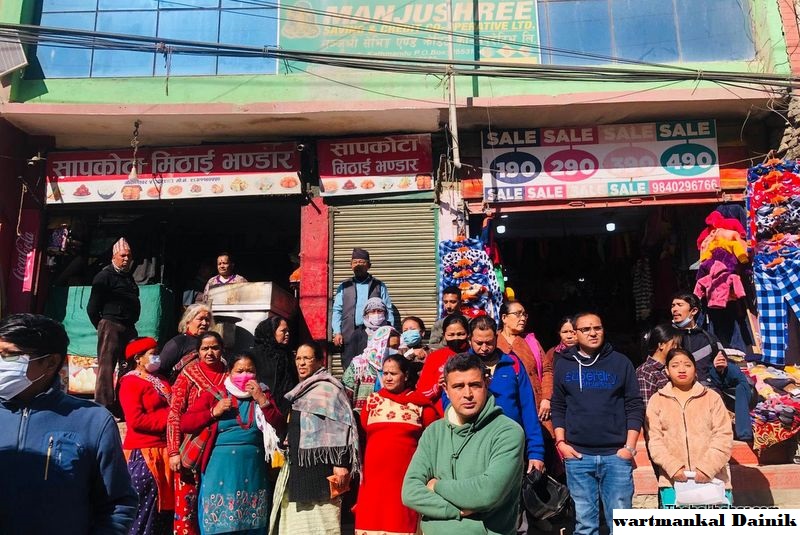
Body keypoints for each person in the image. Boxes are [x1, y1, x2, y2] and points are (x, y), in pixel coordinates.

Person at [0, 313, 138, 534]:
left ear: (51, 362)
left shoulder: (93, 421)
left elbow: (118, 503)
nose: (1, 362)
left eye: (10, 355)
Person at [402, 353, 525, 535]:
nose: (467, 394)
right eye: (458, 386)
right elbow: (410, 492)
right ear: (445, 389)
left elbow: (486, 493)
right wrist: (455, 510)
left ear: (487, 383)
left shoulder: (507, 432)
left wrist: (436, 486)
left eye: (474, 385)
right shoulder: (433, 432)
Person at [551, 312, 644, 535]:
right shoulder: (563, 364)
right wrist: (561, 443)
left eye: (597, 328)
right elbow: (558, 406)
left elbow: (634, 405)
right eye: (586, 329)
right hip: (578, 456)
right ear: (575, 333)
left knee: (622, 525)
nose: (592, 333)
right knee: (585, 524)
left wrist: (630, 447)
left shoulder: (620, 362)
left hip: (616, 455)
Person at [181, 352, 284, 535]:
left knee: (252, 523)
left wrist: (262, 400)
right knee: (217, 523)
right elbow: (186, 423)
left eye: (250, 371)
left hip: (253, 469)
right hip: (219, 469)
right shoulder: (215, 394)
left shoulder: (262, 393)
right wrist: (213, 412)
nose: (245, 375)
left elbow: (280, 425)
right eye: (239, 371)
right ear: (229, 372)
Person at [270, 342, 360, 535]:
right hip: (298, 470)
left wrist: (340, 463)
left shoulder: (329, 390)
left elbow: (341, 428)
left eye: (307, 358)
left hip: (322, 473)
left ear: (320, 361)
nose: (301, 363)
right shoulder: (300, 390)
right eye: (298, 358)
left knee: (322, 524)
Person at [355, 354, 438, 535]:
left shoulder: (420, 405)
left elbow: (434, 439)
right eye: (385, 373)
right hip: (374, 478)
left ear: (406, 375)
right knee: (371, 520)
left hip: (404, 477)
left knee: (401, 520)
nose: (388, 378)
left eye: (393, 373)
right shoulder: (372, 401)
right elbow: (364, 429)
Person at [645, 348, 733, 507]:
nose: (681, 369)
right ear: (667, 371)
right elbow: (655, 441)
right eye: (675, 365)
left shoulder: (712, 398)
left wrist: (707, 468)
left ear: (695, 369)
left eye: (687, 365)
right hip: (673, 481)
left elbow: (723, 436)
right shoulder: (657, 401)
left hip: (714, 479)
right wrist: (674, 468)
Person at [670, 292, 754, 441]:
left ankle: (743, 432)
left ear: (693, 311)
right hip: (677, 392)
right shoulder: (668, 337)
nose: (674, 309)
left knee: (741, 380)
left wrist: (721, 368)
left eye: (679, 305)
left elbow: (722, 370)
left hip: (708, 392)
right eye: (673, 306)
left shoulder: (709, 339)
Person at [167, 331, 227, 535]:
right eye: (205, 348)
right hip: (190, 450)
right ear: (198, 352)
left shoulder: (229, 375)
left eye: (214, 348)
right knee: (187, 508)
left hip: (218, 452)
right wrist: (173, 451)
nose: (210, 352)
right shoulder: (188, 375)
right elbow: (175, 414)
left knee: (214, 506)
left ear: (222, 349)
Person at [118, 336, 174, 535]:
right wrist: (171, 419)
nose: (157, 357)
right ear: (138, 358)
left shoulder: (161, 380)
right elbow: (136, 420)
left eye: (157, 353)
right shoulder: (130, 382)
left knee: (161, 511)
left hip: (165, 451)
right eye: (153, 354)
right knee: (144, 510)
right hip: (144, 454)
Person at [88, 237, 140, 412]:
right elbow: (92, 307)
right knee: (107, 366)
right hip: (111, 325)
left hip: (129, 327)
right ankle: (103, 406)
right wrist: (103, 325)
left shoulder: (128, 278)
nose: (126, 259)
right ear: (114, 257)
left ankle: (123, 404)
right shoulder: (104, 276)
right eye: (123, 255)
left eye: (129, 256)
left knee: (130, 364)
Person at [497, 300, 554, 436]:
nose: (522, 318)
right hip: (504, 404)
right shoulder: (493, 341)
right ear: (504, 318)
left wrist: (546, 398)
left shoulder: (531, 341)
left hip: (534, 403)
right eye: (518, 314)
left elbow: (547, 370)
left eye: (524, 315)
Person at [332, 247, 394, 369]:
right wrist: (337, 332)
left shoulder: (378, 285)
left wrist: (390, 331)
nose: (358, 265)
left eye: (361, 262)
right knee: (349, 368)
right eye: (355, 262)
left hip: (374, 334)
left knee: (373, 367)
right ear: (350, 265)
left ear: (369, 265)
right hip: (349, 334)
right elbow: (337, 310)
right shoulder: (344, 286)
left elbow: (388, 309)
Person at [342, 297, 393, 413]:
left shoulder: (391, 332)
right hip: (362, 379)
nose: (376, 314)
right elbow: (349, 357)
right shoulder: (358, 333)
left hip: (385, 376)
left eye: (380, 311)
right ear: (366, 314)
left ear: (385, 313)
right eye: (373, 311)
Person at [415, 314, 470, 416]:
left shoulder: (474, 354)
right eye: (451, 335)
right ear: (444, 335)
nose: (456, 338)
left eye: (460, 334)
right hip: (441, 416)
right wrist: (438, 386)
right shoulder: (434, 357)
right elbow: (421, 393)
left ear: (468, 334)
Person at [252, 314, 298, 417]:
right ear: (271, 332)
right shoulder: (255, 355)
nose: (287, 334)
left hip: (285, 411)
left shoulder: (288, 355)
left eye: (288, 331)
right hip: (260, 410)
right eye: (283, 331)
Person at [160, 303, 214, 382]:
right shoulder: (179, 342)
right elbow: (161, 370)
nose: (204, 323)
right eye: (200, 319)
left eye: (207, 320)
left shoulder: (211, 343)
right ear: (188, 321)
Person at [636, 324, 682, 402]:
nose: (677, 349)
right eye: (674, 345)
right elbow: (647, 405)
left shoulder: (673, 368)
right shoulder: (645, 372)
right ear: (661, 345)